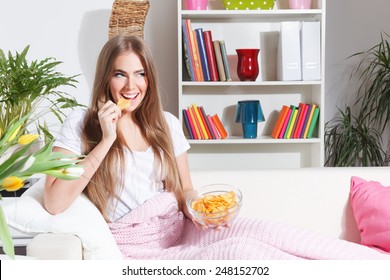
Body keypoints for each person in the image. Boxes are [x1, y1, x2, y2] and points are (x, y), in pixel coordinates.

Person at [43, 34, 195, 224]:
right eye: (120, 74)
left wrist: (203, 210)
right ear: (106, 78)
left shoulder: (168, 123)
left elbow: (186, 189)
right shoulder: (80, 122)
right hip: (127, 238)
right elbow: (54, 203)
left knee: (241, 237)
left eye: (140, 74)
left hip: (171, 229)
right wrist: (107, 140)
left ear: (149, 79)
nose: (131, 86)